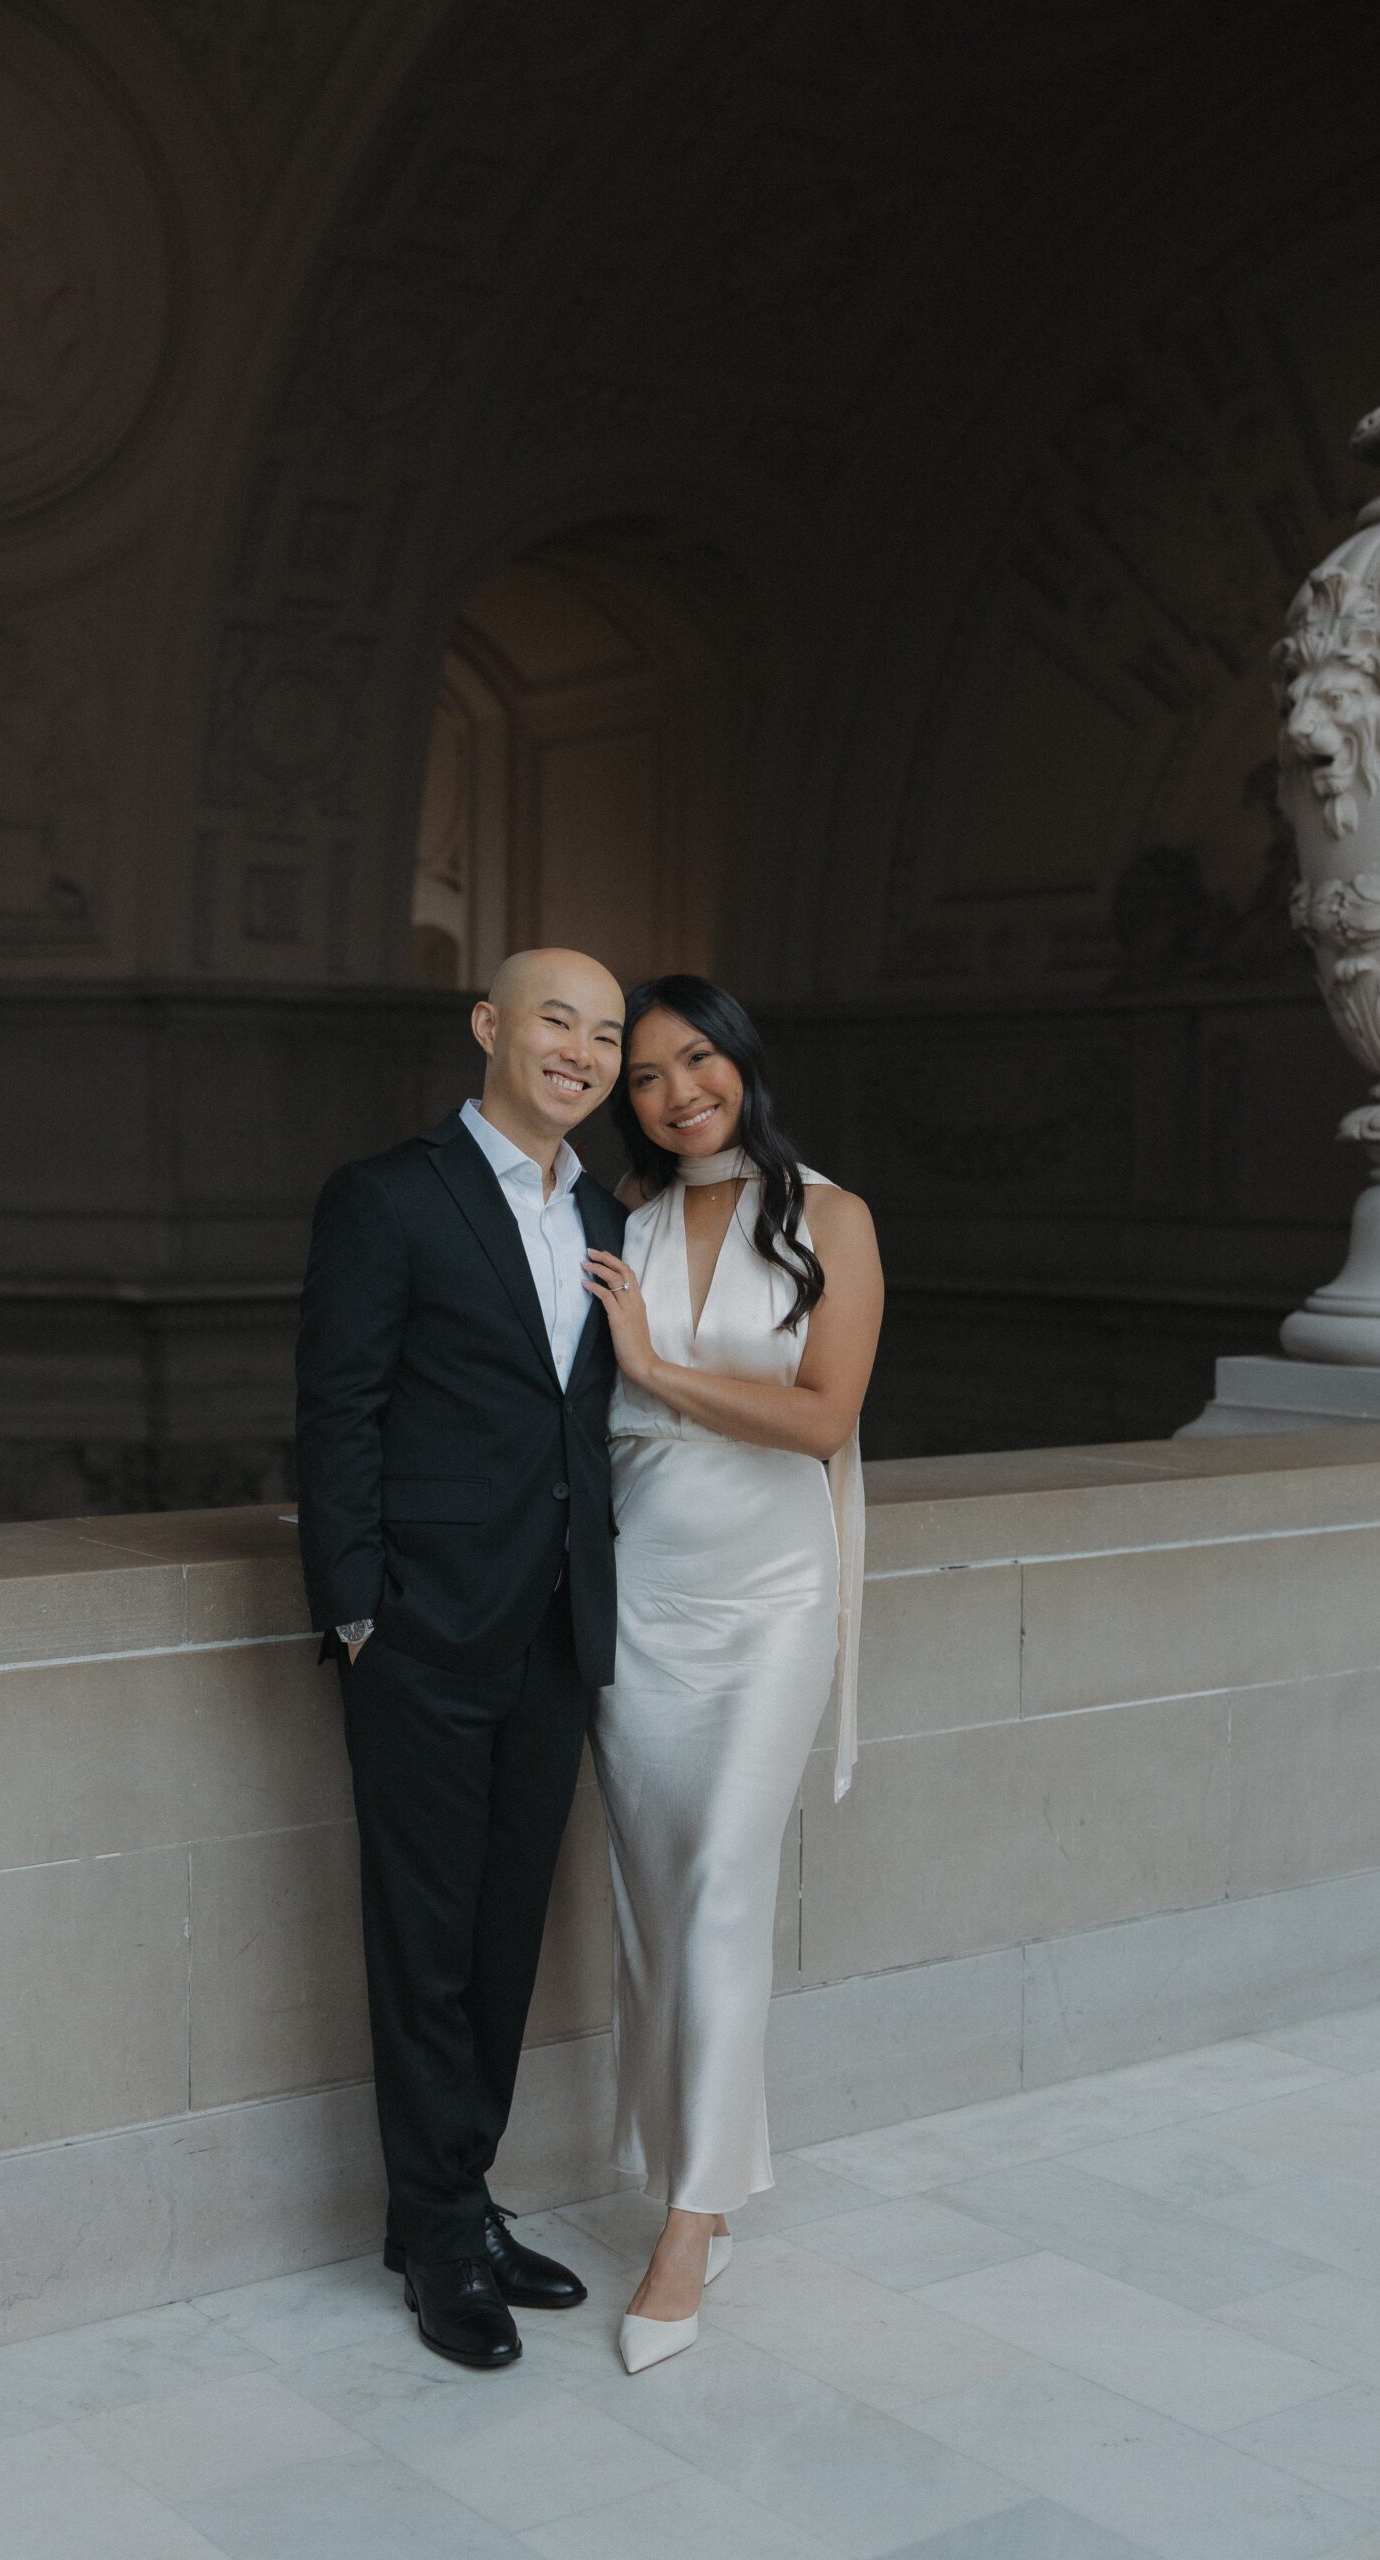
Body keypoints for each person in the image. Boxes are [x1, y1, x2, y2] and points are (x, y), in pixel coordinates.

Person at [295, 947, 629, 2371]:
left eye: (609, 1033)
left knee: (502, 1934)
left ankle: (459, 2199)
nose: (587, 1050)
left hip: (558, 1628)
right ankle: (439, 2238)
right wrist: (358, 1612)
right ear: (489, 1026)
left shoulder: (610, 1213)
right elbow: (338, 1411)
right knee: (424, 1939)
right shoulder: (387, 1196)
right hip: (423, 1632)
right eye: (559, 1018)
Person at [581, 974, 883, 2374]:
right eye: (645, 1074)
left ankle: (690, 2220)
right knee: (656, 1903)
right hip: (642, 1597)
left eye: (697, 1058)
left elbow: (823, 1420)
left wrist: (653, 1361)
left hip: (772, 1600)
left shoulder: (834, 1216)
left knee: (722, 1885)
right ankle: (713, 2161)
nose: (677, 1090)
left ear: (741, 1064)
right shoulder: (613, 1221)